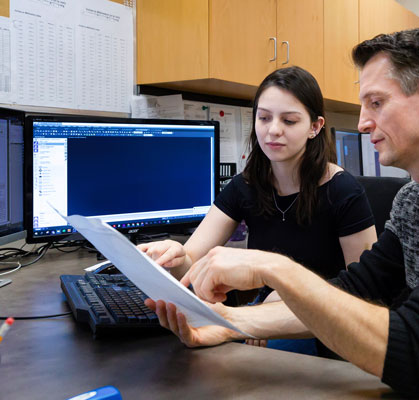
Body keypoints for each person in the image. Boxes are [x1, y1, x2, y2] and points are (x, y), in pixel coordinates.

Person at [145, 29, 419, 399]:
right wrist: (230, 325)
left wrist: (270, 266)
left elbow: (418, 350)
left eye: (376, 103)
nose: (362, 123)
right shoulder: (414, 197)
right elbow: (356, 291)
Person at [139, 66, 377, 356]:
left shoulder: (343, 191)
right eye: (264, 118)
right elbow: (192, 260)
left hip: (326, 323)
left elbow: (365, 293)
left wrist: (293, 293)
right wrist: (174, 258)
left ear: (315, 127)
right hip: (265, 309)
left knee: (245, 362)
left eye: (289, 120)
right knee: (200, 353)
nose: (273, 129)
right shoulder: (245, 186)